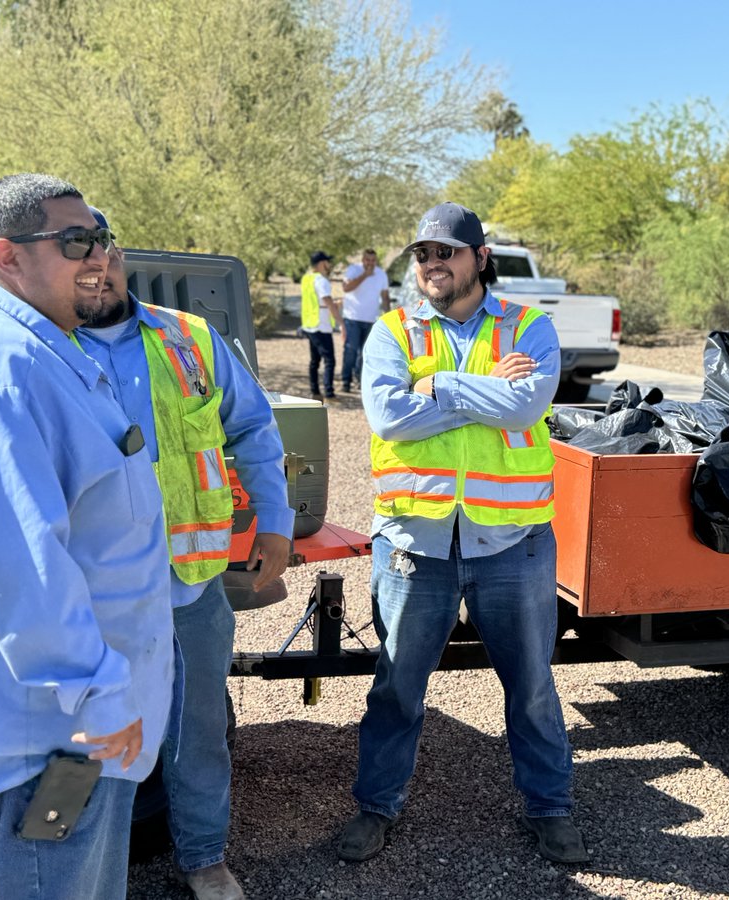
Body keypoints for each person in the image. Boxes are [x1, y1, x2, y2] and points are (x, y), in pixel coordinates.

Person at [0, 174, 175, 900]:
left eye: (101, 237)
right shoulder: (0, 369)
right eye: (75, 240)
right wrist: (102, 696)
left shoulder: (45, 346)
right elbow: (17, 568)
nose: (98, 256)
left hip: (68, 727)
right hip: (54, 741)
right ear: (7, 256)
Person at [340, 202, 589, 864]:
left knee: (532, 686)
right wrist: (478, 390)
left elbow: (528, 405)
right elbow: (389, 418)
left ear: (480, 258)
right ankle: (376, 807)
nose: (430, 265)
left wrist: (439, 386)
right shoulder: (392, 331)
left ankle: (551, 808)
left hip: (512, 544)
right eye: (421, 254)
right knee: (396, 687)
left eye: (445, 252)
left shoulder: (529, 328)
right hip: (414, 545)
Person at [76, 208, 294, 900]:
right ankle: (81, 867)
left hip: (190, 587)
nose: (97, 270)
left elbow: (254, 428)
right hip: (93, 596)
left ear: (119, 255)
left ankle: (203, 857)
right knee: (89, 737)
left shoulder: (188, 338)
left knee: (197, 731)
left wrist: (277, 525)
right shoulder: (43, 348)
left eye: (104, 252)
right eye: (79, 258)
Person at [338, 248, 390, 393]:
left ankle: (360, 380)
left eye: (373, 260)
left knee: (365, 353)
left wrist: (388, 317)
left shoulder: (381, 274)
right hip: (352, 318)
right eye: (367, 260)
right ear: (362, 260)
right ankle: (345, 380)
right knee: (351, 350)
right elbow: (346, 288)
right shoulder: (353, 270)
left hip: (371, 319)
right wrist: (364, 275)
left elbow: (385, 297)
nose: (370, 263)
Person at [300, 250, 341, 401]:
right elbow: (327, 300)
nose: (329, 264)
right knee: (329, 360)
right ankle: (329, 394)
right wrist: (340, 320)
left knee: (314, 361)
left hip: (310, 324)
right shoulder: (321, 280)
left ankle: (315, 391)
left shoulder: (306, 278)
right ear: (322, 263)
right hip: (321, 325)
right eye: (327, 261)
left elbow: (315, 301)